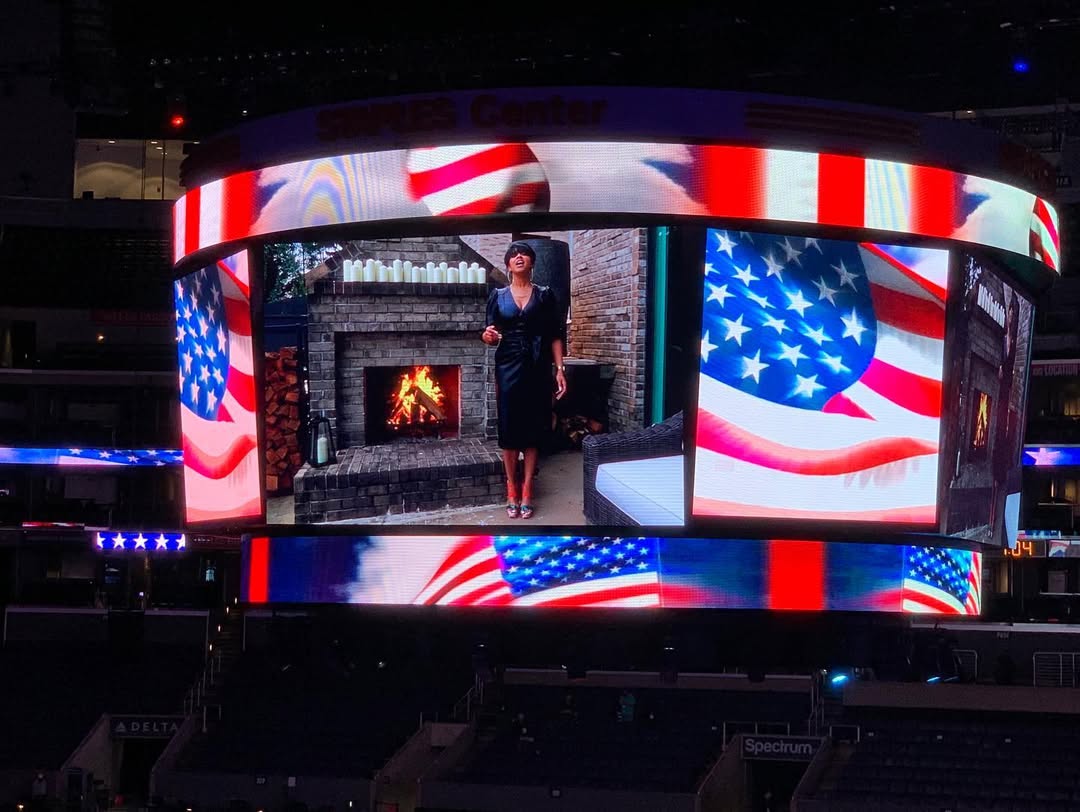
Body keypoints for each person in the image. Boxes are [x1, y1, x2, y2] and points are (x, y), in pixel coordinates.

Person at [481, 241, 567, 519]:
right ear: (508, 264)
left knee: (533, 427)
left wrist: (559, 369)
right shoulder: (497, 295)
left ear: (532, 262)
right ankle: (511, 487)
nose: (519, 257)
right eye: (513, 255)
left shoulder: (545, 295)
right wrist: (488, 337)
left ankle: (528, 487)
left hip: (538, 366)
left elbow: (555, 334)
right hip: (507, 365)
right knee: (509, 428)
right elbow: (489, 333)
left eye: (524, 254)